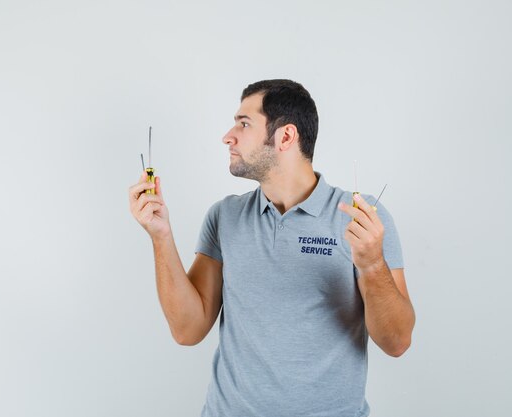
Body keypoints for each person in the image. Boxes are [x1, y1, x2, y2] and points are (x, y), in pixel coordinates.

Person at [128, 79, 415, 417]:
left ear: (286, 136)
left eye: (244, 123)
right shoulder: (225, 216)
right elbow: (187, 330)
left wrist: (371, 265)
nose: (228, 136)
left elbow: (396, 342)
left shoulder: (362, 219)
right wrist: (160, 236)